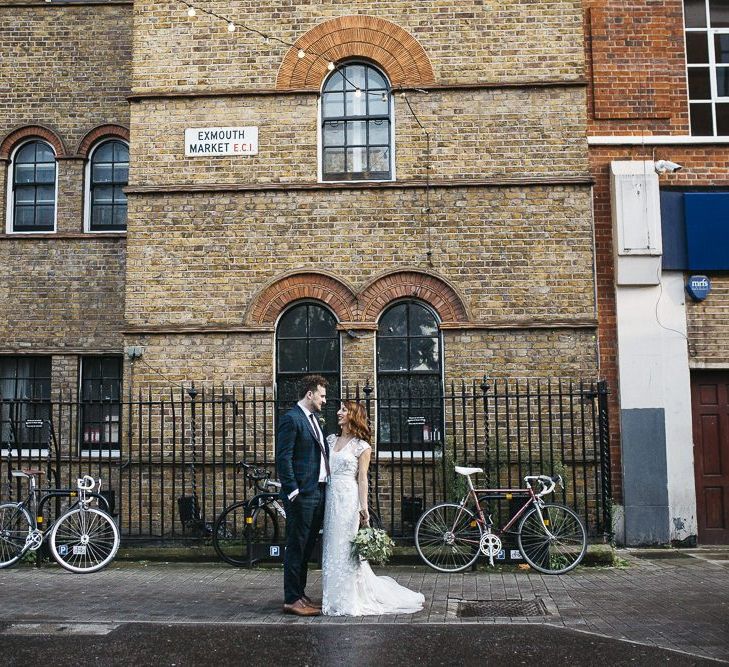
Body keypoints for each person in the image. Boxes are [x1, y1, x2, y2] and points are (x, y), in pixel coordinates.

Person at [322, 400, 425, 616]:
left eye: (344, 409)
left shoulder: (362, 446)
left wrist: (363, 508)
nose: (338, 412)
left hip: (348, 499)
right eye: (340, 409)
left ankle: (349, 598)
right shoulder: (330, 440)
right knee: (332, 546)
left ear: (353, 415)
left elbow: (362, 479)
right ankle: (332, 596)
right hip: (331, 498)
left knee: (347, 548)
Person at [276, 374, 330, 617]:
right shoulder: (291, 419)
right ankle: (291, 599)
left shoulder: (313, 419)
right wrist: (293, 491)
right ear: (310, 394)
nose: (324, 400)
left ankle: (301, 593)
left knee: (308, 546)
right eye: (322, 395)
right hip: (302, 494)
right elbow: (283, 458)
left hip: (318, 491)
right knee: (296, 546)